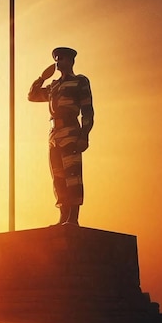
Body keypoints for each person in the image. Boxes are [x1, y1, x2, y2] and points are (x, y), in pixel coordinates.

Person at [28, 47, 94, 226]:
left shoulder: (79, 81)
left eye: (62, 58)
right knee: (58, 178)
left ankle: (73, 217)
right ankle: (63, 216)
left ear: (71, 61)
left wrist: (84, 135)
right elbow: (32, 96)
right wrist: (42, 78)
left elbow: (87, 110)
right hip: (54, 135)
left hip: (70, 131)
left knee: (72, 175)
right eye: (56, 58)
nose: (58, 61)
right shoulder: (53, 86)